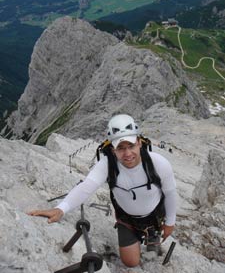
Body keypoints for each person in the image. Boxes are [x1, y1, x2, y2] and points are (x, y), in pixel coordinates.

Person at [28, 114, 176, 267]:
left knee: (151, 239)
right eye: (120, 148)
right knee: (131, 262)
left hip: (154, 215)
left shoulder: (158, 163)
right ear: (113, 150)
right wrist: (60, 209)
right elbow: (86, 187)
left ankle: (153, 234)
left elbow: (170, 193)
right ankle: (139, 236)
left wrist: (170, 222)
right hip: (126, 219)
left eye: (131, 146)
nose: (127, 154)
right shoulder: (107, 165)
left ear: (139, 143)